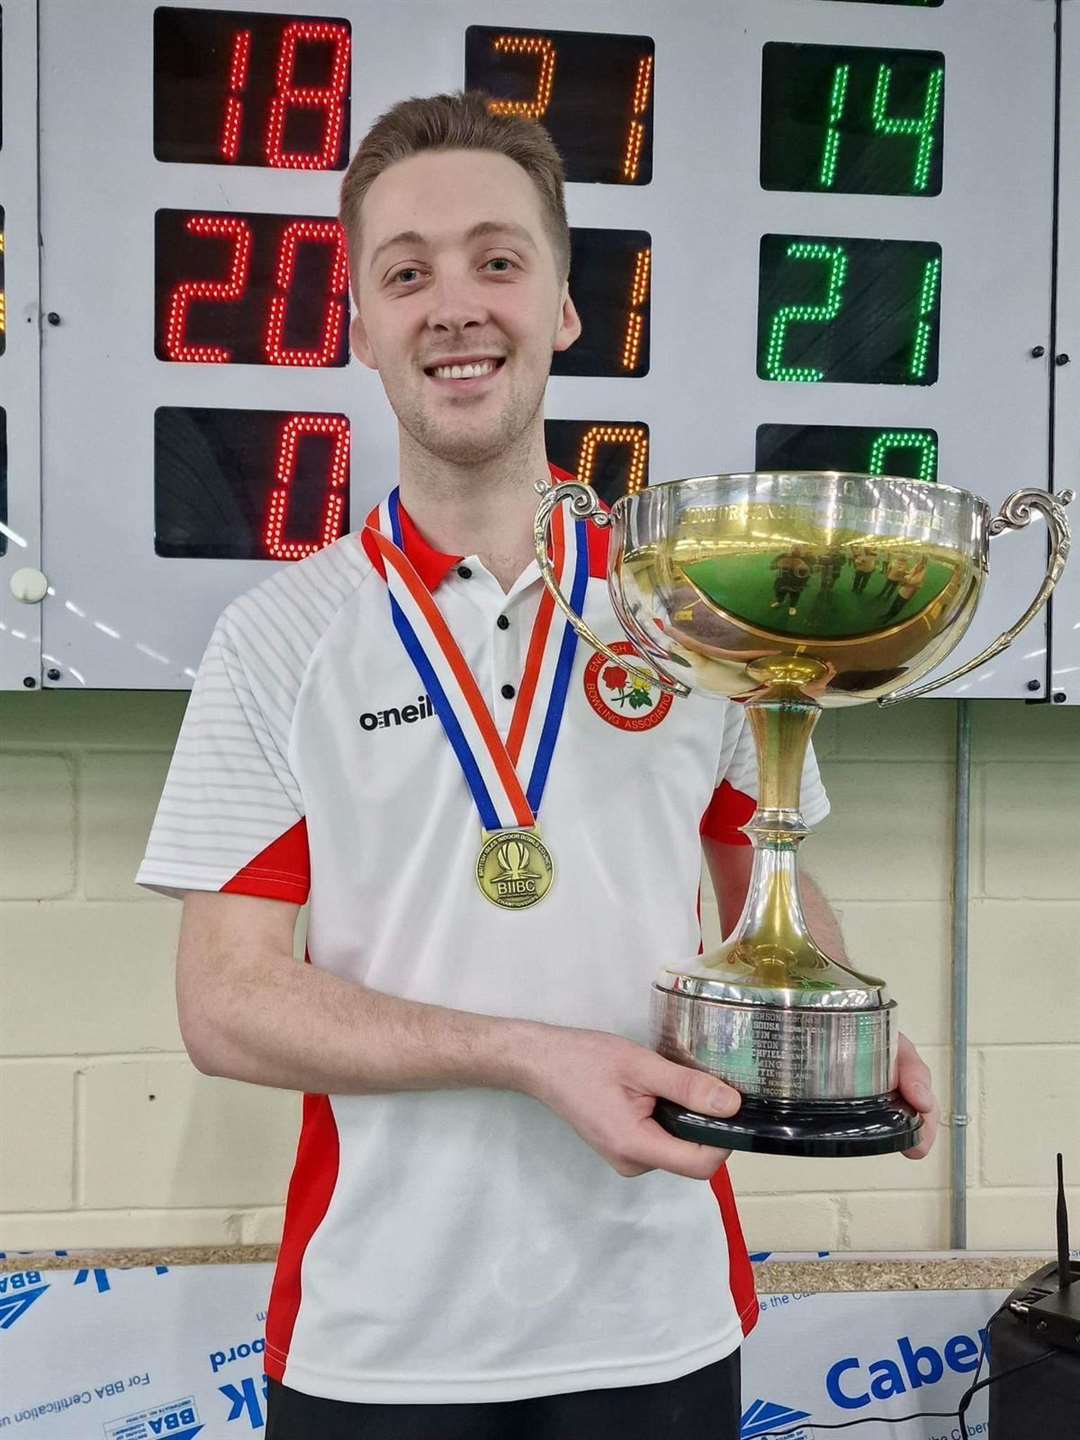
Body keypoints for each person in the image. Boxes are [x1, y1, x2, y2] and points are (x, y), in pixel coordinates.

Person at [136, 90, 938, 1440]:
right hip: (380, 1345)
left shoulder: (694, 614)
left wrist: (835, 1049)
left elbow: (773, 904)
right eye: (407, 273)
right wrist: (529, 1056)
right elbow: (227, 1007)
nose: (455, 306)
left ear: (567, 307)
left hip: (657, 1315)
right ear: (363, 323)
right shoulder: (280, 637)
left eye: (498, 261)